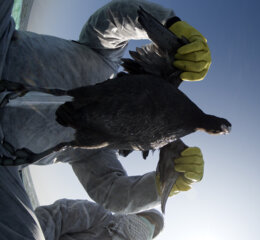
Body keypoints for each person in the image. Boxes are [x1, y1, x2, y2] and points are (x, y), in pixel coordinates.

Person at [0, 0, 210, 239]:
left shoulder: (95, 150)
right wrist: (171, 25)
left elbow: (113, 195)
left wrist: (163, 184)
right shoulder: (104, 56)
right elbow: (114, 18)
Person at [35, 199, 164, 240]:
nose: (149, 226)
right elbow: (55, 216)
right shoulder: (100, 216)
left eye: (154, 228)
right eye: (148, 219)